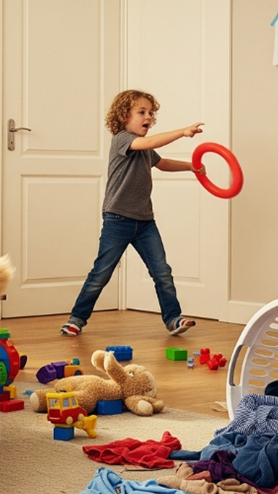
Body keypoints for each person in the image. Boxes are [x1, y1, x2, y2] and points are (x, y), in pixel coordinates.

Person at [60, 89, 204, 337]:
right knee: (101, 273)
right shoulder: (123, 139)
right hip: (118, 219)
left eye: (151, 113)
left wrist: (191, 167)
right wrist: (182, 132)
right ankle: (76, 319)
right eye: (142, 112)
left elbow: (163, 163)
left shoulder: (146, 149)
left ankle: (173, 319)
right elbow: (149, 142)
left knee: (162, 272)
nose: (148, 117)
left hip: (145, 223)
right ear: (123, 116)